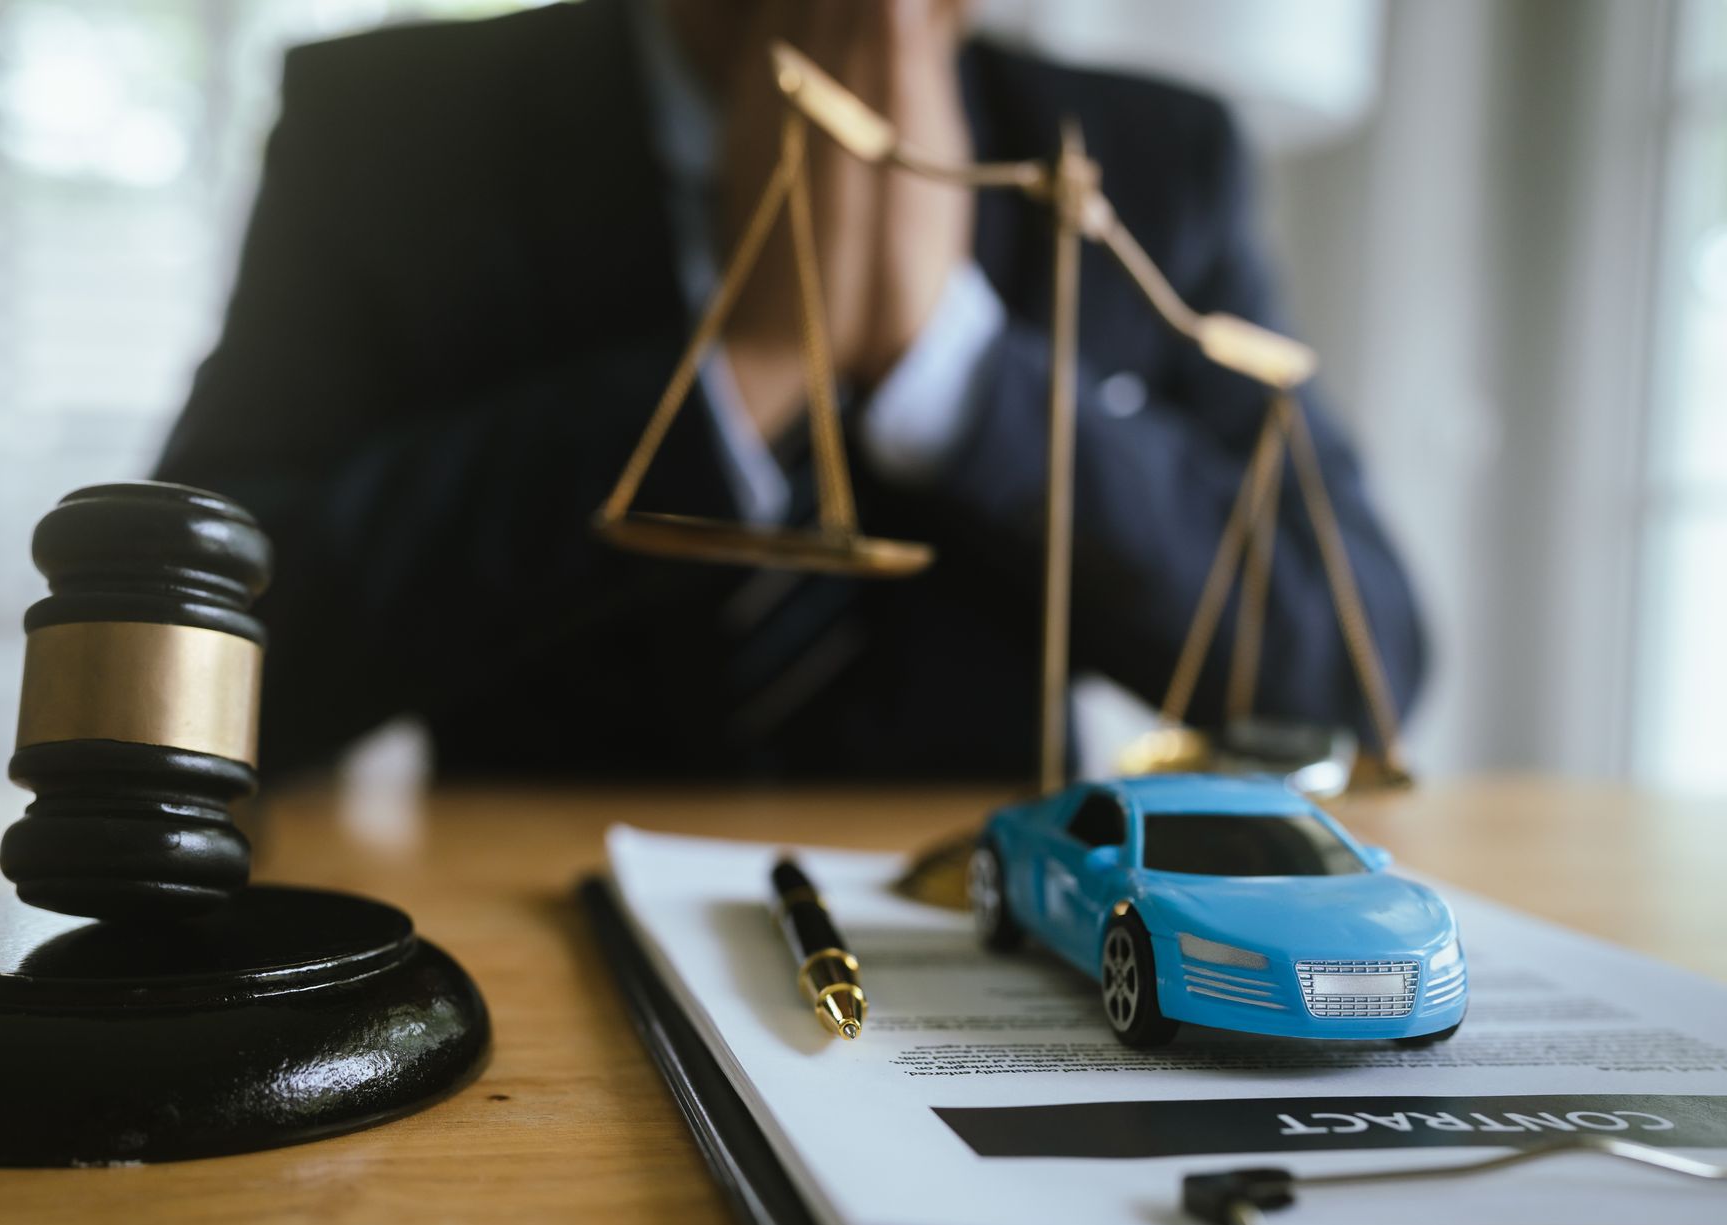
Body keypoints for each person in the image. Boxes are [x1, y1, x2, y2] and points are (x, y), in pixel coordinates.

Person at [156, 0, 1427, 780]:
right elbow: (185, 653)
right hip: (524, 933)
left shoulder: (1147, 158)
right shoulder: (387, 132)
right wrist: (751, 358)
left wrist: (948, 361)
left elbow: (1354, 670)